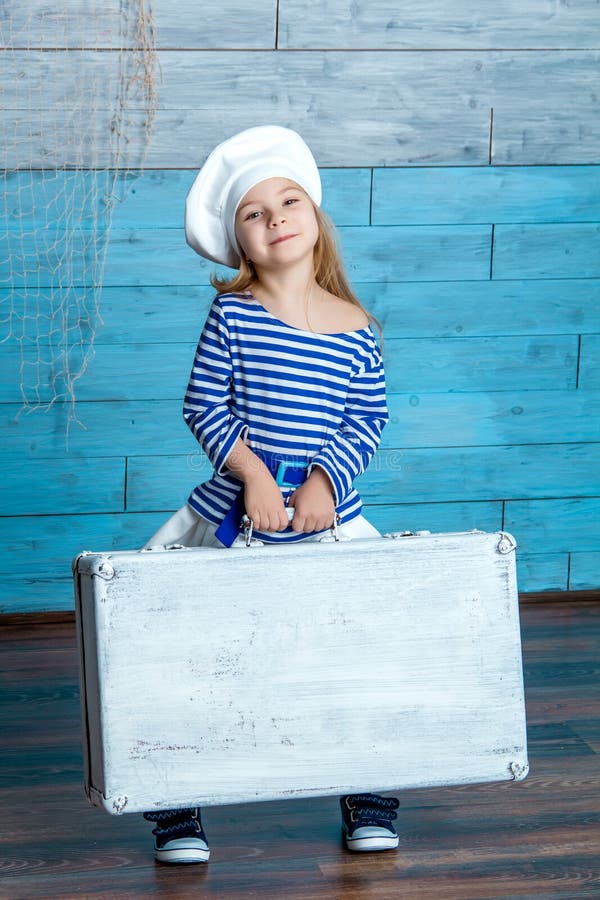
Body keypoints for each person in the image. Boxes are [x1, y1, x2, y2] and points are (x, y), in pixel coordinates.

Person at [141, 125, 399, 864]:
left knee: (366, 651)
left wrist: (323, 482)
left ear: (315, 218)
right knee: (179, 652)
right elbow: (204, 406)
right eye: (253, 212)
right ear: (238, 242)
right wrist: (254, 475)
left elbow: (366, 420)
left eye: (289, 200)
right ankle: (176, 811)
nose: (275, 216)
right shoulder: (233, 315)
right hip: (232, 516)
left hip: (327, 521)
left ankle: (371, 795)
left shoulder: (357, 330)